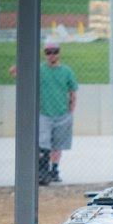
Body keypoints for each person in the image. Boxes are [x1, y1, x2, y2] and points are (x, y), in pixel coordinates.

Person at [36, 43, 77, 185]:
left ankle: (54, 170)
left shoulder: (66, 71)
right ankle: (42, 171)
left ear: (59, 53)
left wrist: (71, 109)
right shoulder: (40, 69)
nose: (52, 55)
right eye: (48, 52)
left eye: (54, 52)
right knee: (43, 142)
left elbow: (72, 91)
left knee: (57, 145)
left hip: (62, 111)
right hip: (44, 112)